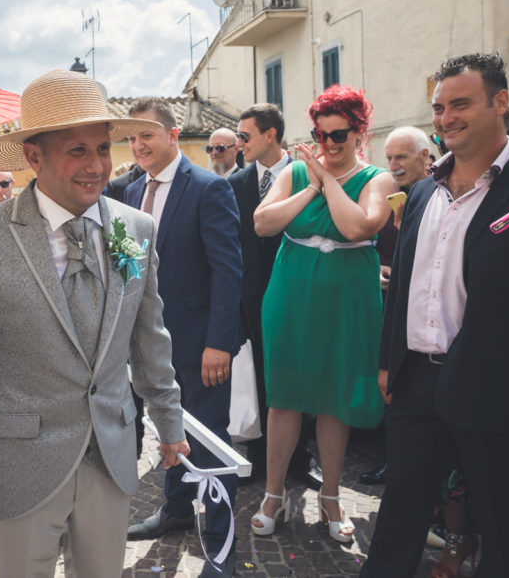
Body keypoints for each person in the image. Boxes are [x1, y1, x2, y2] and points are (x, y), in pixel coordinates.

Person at [0, 70, 188, 578]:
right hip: (20, 463)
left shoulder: (137, 229)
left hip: (110, 456)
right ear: (34, 156)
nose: (96, 167)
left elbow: (148, 336)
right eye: (77, 151)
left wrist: (169, 422)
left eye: (102, 149)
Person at [361, 54, 509, 577]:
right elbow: (402, 285)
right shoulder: (423, 191)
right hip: (416, 382)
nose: (445, 118)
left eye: (460, 104)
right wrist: (389, 362)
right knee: (398, 521)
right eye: (439, 107)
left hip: (500, 394)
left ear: (501, 102)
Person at [253, 85, 393, 544]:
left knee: (337, 397)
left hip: (348, 300)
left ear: (358, 132)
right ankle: (274, 494)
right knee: (285, 395)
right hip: (291, 296)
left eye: (338, 134)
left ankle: (330, 496)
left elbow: (358, 225)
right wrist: (310, 185)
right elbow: (263, 222)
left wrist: (330, 181)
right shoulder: (295, 172)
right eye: (320, 133)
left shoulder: (377, 178)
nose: (329, 144)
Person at [122, 97, 243, 577]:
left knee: (211, 442)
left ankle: (220, 543)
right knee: (168, 432)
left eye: (146, 135)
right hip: (148, 345)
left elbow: (228, 270)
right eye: (131, 137)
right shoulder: (131, 193)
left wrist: (220, 342)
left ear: (173, 136)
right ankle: (174, 510)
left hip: (199, 344)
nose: (138, 145)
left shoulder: (209, 188)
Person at [227, 104, 323, 490]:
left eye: (245, 136)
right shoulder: (235, 184)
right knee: (262, 378)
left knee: (302, 378)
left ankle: (301, 458)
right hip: (253, 299)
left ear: (271, 135)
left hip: (300, 295)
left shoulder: (306, 177)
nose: (239, 143)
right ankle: (261, 457)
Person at [359, 125, 433, 487]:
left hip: (427, 318)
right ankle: (395, 463)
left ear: (425, 156)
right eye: (389, 158)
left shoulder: (439, 195)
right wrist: (381, 270)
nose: (394, 165)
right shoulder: (390, 194)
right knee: (391, 388)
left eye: (401, 157)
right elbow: (375, 247)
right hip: (390, 307)